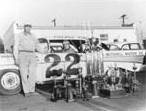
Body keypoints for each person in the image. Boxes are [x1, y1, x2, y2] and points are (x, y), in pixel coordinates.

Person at [13, 24, 42, 97]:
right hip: (22, 54)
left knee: (32, 73)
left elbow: (37, 45)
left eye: (29, 27)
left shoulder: (33, 36)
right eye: (26, 27)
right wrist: (16, 57)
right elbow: (16, 46)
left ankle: (31, 90)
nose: (28, 28)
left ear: (31, 28)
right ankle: (26, 92)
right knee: (24, 73)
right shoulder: (19, 35)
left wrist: (43, 51)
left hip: (32, 54)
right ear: (24, 27)